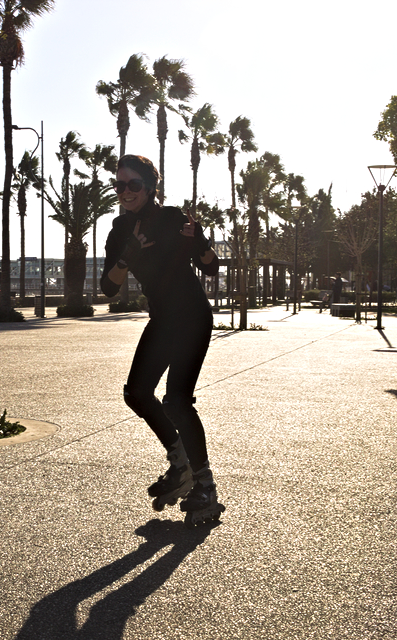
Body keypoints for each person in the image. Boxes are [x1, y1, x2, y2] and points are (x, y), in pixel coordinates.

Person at [100, 154, 224, 527]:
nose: (125, 192)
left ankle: (205, 486)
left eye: (133, 185)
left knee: (177, 401)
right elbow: (108, 287)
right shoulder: (119, 230)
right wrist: (127, 257)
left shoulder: (173, 219)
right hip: (163, 320)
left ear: (150, 186)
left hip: (192, 316)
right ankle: (180, 464)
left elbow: (210, 265)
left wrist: (199, 238)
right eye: (119, 185)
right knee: (136, 393)